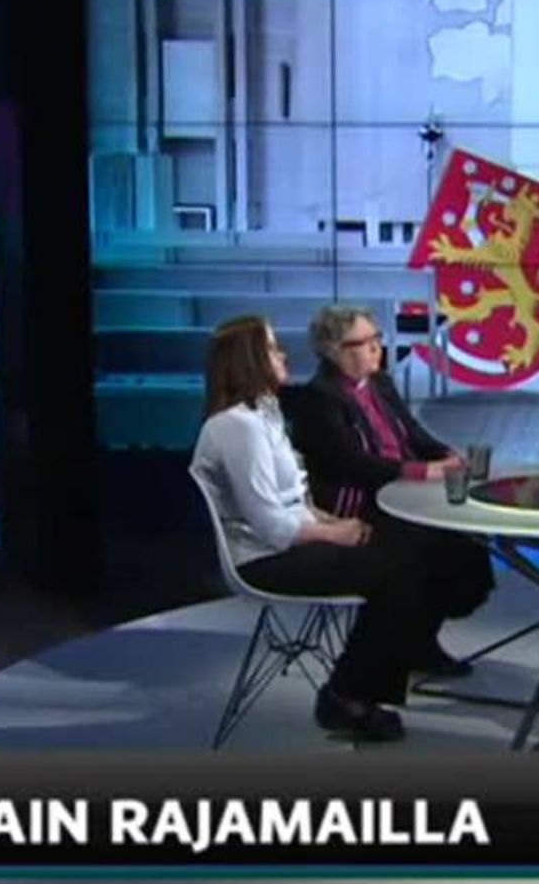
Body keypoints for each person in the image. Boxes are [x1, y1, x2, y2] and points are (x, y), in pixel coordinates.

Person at [189, 315, 431, 743]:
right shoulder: (237, 428)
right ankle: (347, 697)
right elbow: (270, 524)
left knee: (412, 550)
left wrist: (332, 521)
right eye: (271, 348)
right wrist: (335, 535)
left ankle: (359, 687)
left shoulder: (263, 414)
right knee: (400, 573)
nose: (282, 354)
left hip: (294, 541)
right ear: (248, 360)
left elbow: (293, 502)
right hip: (266, 560)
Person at [284, 304, 496, 677]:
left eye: (377, 338)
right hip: (359, 506)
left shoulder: (380, 382)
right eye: (364, 342)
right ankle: (410, 648)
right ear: (334, 350)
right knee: (430, 548)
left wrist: (446, 455)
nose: (376, 348)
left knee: (468, 544)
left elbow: (412, 433)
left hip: (405, 494)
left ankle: (420, 640)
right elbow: (350, 464)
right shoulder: (318, 398)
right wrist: (422, 471)